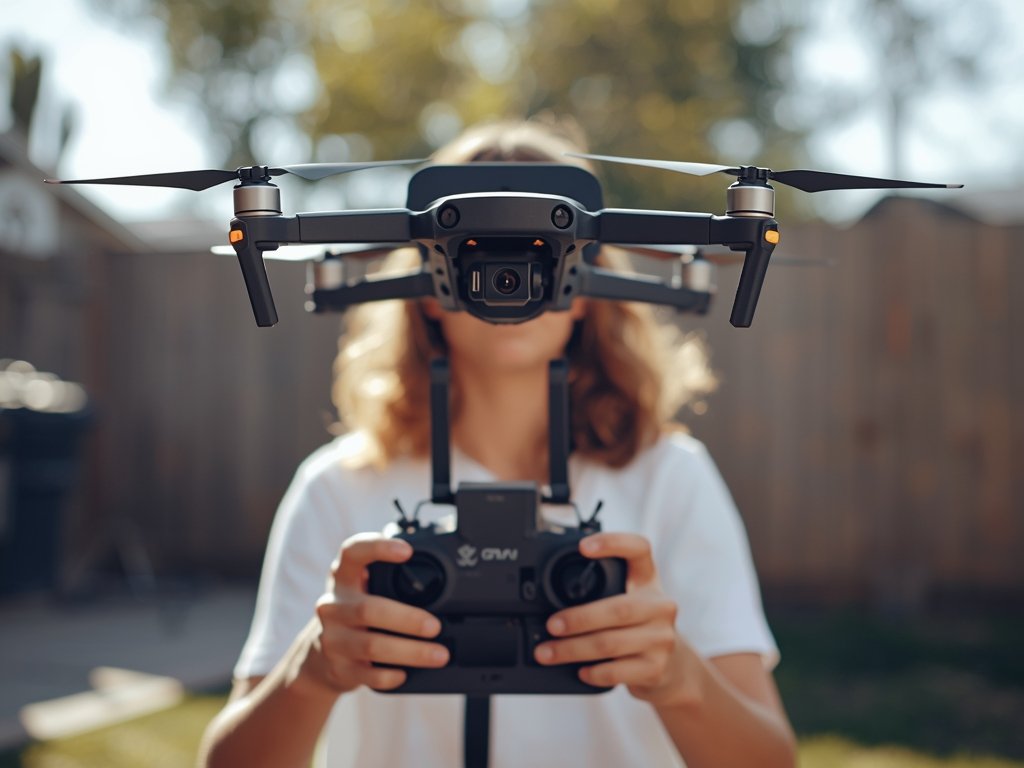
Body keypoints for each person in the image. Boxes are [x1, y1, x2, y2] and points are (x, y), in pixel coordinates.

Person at [198, 116, 797, 768]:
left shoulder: (669, 479)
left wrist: (678, 676)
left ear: (587, 289)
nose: (510, 279)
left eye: (544, 253)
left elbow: (768, 759)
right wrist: (312, 670)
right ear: (427, 289)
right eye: (477, 253)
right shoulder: (339, 487)